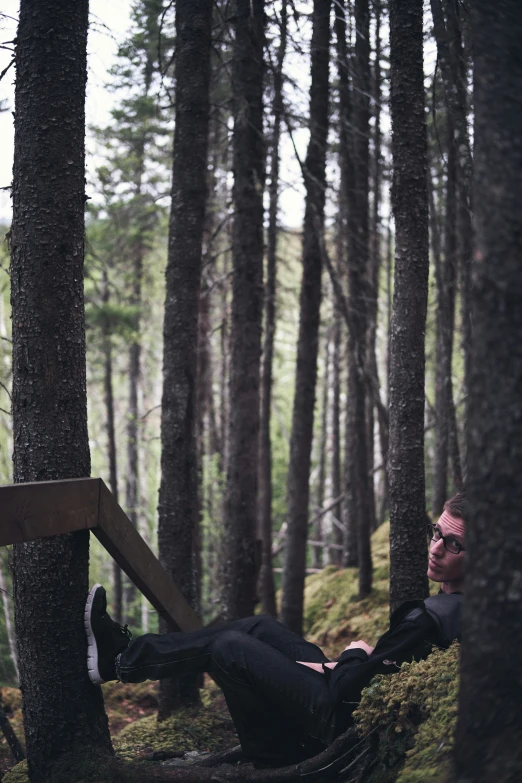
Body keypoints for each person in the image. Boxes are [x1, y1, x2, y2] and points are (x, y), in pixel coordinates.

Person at [85, 493, 467, 767]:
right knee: (260, 626)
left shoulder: (431, 619)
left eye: (453, 544)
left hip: (332, 728)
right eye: (437, 533)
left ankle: (121, 663)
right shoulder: (464, 607)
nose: (435, 548)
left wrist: (352, 655)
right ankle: (122, 657)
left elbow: (351, 695)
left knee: (231, 647)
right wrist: (351, 663)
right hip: (348, 695)